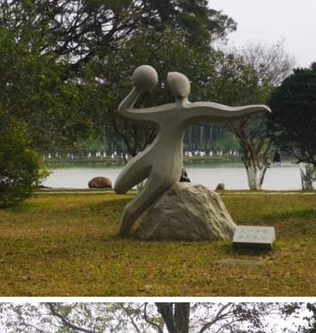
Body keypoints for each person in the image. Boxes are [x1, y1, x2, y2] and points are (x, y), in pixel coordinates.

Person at [114, 66, 270, 234]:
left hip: (167, 166)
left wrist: (257, 108)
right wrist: (137, 89)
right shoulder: (169, 110)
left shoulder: (184, 110)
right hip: (155, 157)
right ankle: (121, 234)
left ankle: (121, 235)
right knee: (118, 187)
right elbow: (124, 112)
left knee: (133, 208)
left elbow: (229, 112)